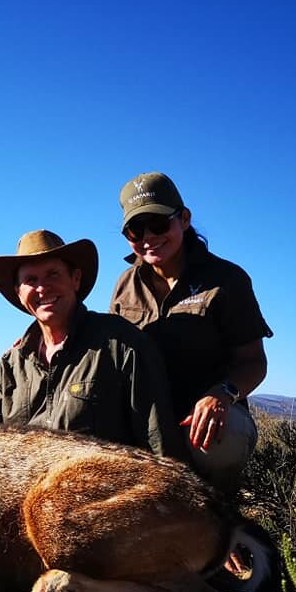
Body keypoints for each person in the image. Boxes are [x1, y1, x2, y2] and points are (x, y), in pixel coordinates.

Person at [110, 172, 273, 498]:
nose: (148, 237)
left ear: (184, 219)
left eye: (158, 224)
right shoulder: (124, 286)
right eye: (135, 229)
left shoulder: (227, 280)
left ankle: (220, 517)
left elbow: (254, 362)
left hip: (208, 415)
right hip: (146, 415)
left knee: (218, 443)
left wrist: (222, 394)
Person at [0, 229, 187, 460]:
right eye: (31, 280)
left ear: (76, 279)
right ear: (19, 293)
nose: (42, 288)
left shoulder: (122, 346)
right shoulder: (12, 364)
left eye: (53, 274)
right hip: (27, 491)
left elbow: (159, 444)